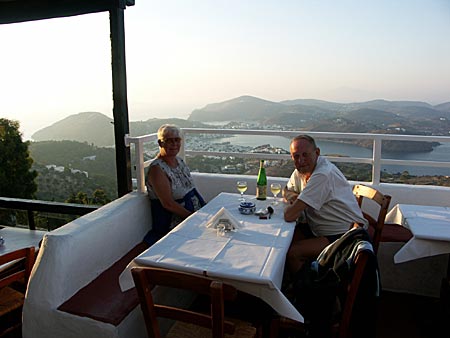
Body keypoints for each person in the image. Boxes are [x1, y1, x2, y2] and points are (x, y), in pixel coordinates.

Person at [283, 134, 367, 276]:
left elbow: (289, 215)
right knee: (282, 244)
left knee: (292, 253)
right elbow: (286, 190)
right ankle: (291, 283)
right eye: (296, 156)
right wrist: (296, 197)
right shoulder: (302, 170)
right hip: (317, 229)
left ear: (317, 153)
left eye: (305, 155)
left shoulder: (322, 174)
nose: (301, 160)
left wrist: (296, 201)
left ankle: (308, 290)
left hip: (343, 236)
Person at [143, 124, 206, 246]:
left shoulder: (179, 161)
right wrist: (195, 219)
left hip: (194, 215)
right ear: (160, 143)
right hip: (175, 222)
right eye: (169, 140)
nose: (174, 144)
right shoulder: (158, 170)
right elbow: (168, 204)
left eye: (177, 140)